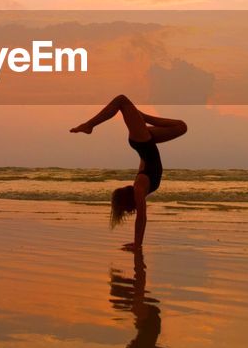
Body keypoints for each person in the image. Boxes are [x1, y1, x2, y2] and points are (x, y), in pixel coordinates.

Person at [70, 94, 187, 250]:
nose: (131, 211)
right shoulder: (140, 186)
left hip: (142, 142)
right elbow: (142, 216)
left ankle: (89, 125)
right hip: (146, 141)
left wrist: (137, 244)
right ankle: (142, 116)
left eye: (127, 209)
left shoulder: (140, 186)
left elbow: (141, 217)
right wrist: (137, 244)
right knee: (182, 127)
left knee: (121, 101)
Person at [63, 249, 186, 348]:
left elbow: (140, 281)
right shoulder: (139, 304)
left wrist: (138, 253)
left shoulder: (139, 305)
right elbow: (140, 279)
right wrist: (138, 257)